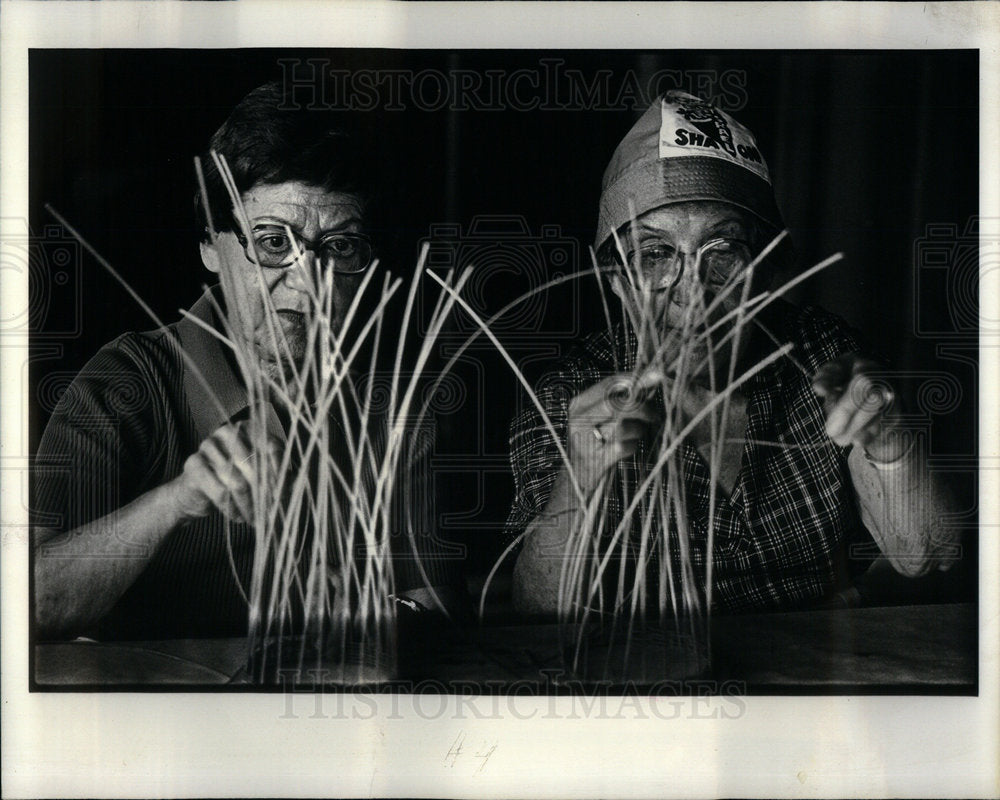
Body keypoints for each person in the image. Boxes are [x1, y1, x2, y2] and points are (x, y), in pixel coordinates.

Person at [33, 82, 464, 642]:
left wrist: (375, 617)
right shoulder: (124, 385)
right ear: (211, 244)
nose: (308, 281)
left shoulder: (392, 399)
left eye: (340, 247)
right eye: (271, 242)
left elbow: (438, 598)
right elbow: (27, 604)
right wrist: (178, 500)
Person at [507, 90, 961, 617]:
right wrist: (583, 474)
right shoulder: (569, 397)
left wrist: (889, 442)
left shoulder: (822, 357)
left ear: (767, 270)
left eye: (723, 249)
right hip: (657, 688)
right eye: (654, 254)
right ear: (617, 280)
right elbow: (536, 613)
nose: (694, 289)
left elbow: (925, 556)